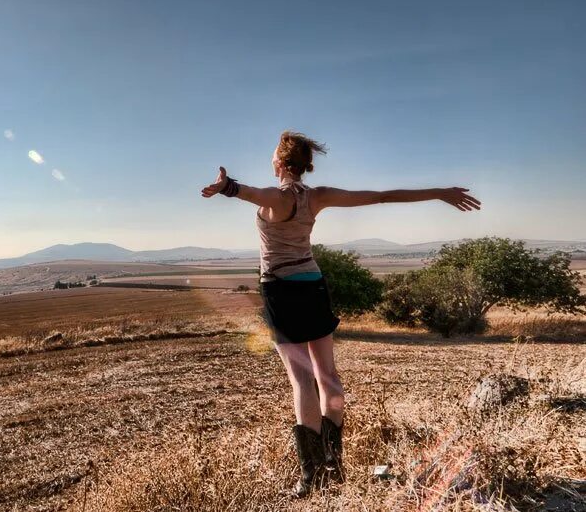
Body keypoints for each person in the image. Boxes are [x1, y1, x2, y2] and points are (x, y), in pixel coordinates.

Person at [200, 131, 481, 497]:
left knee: (302, 380)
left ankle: (311, 477)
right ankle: (333, 466)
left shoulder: (277, 197)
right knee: (328, 377)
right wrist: (439, 193)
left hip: (282, 292)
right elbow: (381, 197)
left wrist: (227, 186)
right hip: (314, 286)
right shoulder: (317, 197)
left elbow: (249, 193)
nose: (271, 160)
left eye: (273, 156)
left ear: (282, 164)